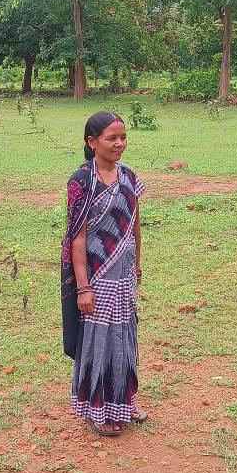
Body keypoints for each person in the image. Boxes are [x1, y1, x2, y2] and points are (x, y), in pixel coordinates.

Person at [61, 111, 148, 436]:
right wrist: (83, 288)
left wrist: (136, 265)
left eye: (123, 137)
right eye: (112, 138)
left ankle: (124, 401)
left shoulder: (129, 178)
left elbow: (135, 227)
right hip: (97, 276)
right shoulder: (82, 181)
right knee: (100, 342)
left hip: (123, 273)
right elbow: (77, 237)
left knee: (124, 337)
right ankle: (98, 410)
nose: (120, 143)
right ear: (92, 142)